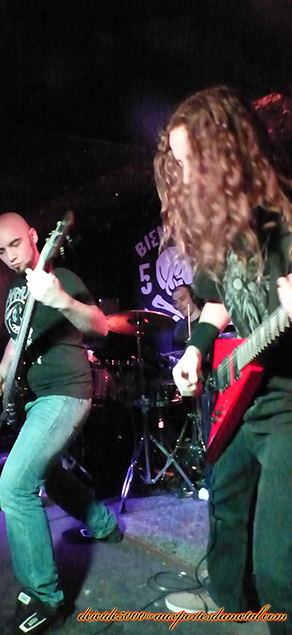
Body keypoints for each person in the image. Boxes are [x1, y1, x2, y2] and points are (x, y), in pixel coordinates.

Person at [154, 85, 292, 633]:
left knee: (280, 565)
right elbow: (217, 300)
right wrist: (196, 348)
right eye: (179, 164)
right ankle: (229, 601)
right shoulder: (226, 224)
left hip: (289, 405)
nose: (185, 178)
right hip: (247, 393)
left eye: (194, 162)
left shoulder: (284, 216)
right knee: (225, 501)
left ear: (230, 153)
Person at [0, 212, 121, 634]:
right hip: (36, 399)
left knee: (14, 486)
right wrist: (1, 374)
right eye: (0, 251)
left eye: (15, 244)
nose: (10, 256)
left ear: (33, 236)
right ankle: (105, 525)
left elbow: (100, 326)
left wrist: (60, 298)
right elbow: (17, 338)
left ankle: (45, 598)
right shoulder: (14, 290)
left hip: (66, 393)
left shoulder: (59, 276)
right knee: (49, 477)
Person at [171, 284, 203, 350]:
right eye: (176, 302)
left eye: (182, 299)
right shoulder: (179, 329)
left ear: (193, 297)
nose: (179, 305)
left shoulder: (208, 320)